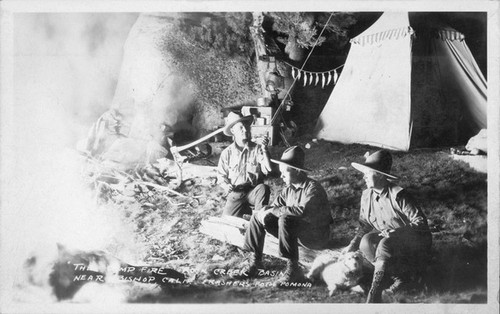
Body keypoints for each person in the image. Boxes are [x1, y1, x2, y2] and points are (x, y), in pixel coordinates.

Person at [344, 150, 432, 303]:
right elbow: (364, 225)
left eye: (367, 173)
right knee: (366, 241)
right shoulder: (366, 196)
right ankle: (399, 278)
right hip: (390, 244)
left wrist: (397, 233)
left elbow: (421, 223)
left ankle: (374, 293)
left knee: (384, 244)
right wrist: (352, 245)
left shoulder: (398, 195)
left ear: (379, 175)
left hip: (413, 242)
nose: (363, 177)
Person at [239, 146, 332, 286]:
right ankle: (255, 262)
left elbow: (301, 212)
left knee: (285, 217)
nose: (281, 176)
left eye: (285, 173)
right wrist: (263, 212)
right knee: (259, 215)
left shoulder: (313, 188)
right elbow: (275, 208)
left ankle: (293, 269)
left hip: (315, 236)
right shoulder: (289, 190)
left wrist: (274, 211)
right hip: (295, 233)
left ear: (297, 171)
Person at [217, 111, 273, 218]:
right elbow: (221, 176)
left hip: (253, 192)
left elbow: (269, 169)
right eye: (241, 128)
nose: (245, 130)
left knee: (263, 188)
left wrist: (265, 149)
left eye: (247, 127)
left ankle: (258, 221)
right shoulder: (227, 153)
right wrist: (226, 185)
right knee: (228, 221)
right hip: (236, 193)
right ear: (233, 131)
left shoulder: (257, 148)